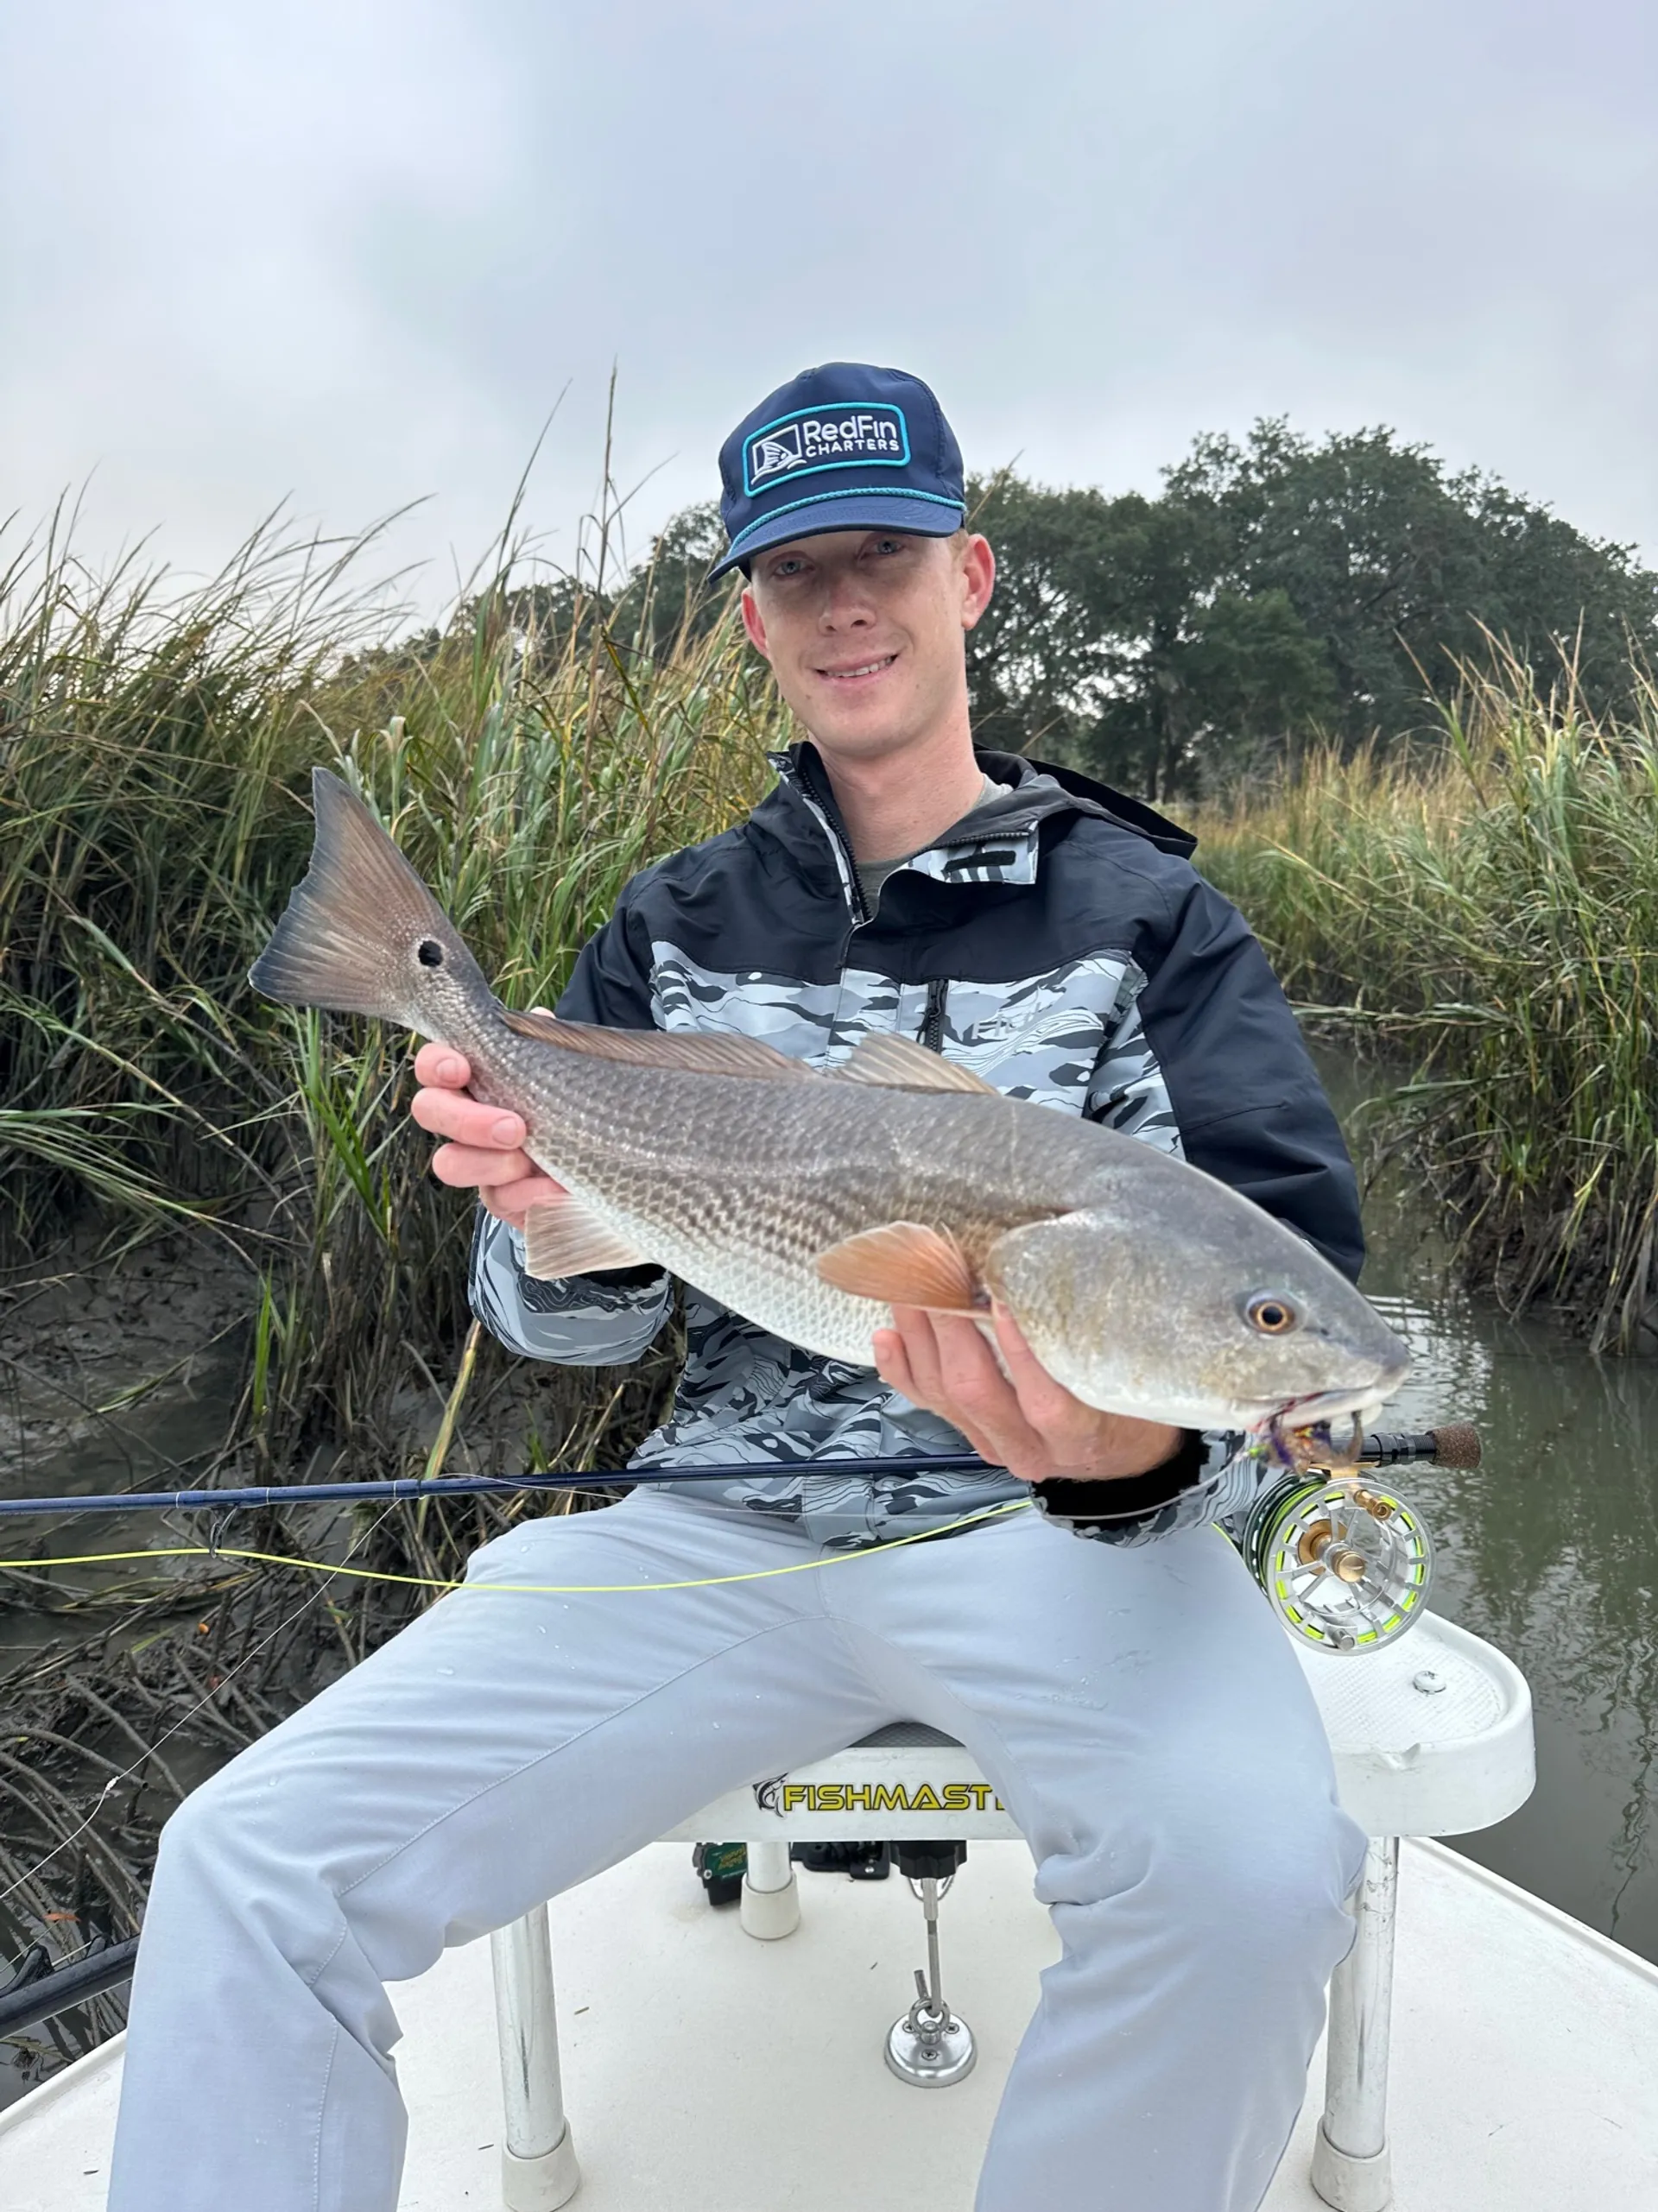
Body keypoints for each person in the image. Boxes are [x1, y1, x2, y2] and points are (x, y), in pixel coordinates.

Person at [110, 363, 1368, 2212]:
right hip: (717, 1529)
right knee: (247, 1859)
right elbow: (574, 1325)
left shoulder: (1155, 920)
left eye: (884, 555)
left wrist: (1127, 1466)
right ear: (754, 619)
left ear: (974, 575)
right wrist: (537, 1199)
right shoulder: (670, 922)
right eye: (798, 574)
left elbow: (1283, 1316)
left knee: (1259, 1880)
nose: (845, 603)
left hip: (1063, 1546)